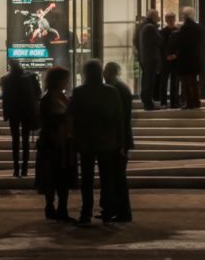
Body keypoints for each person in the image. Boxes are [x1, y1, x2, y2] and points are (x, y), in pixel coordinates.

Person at [67, 59, 123, 225]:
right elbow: (118, 119)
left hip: (86, 141)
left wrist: (73, 137)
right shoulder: (111, 92)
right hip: (107, 141)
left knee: (87, 179)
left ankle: (86, 213)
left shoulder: (79, 92)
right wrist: (120, 141)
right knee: (107, 178)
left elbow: (71, 116)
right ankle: (107, 211)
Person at [35, 66, 76, 222]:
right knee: (54, 176)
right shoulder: (49, 99)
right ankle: (54, 207)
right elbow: (50, 121)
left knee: (61, 177)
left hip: (62, 143)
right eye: (66, 79)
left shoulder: (60, 97)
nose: (67, 82)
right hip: (54, 144)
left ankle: (60, 208)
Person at [103, 61, 134, 223]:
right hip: (120, 139)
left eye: (105, 71)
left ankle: (122, 211)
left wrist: (121, 143)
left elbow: (121, 119)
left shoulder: (116, 90)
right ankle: (116, 210)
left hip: (118, 140)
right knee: (116, 177)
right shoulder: (120, 88)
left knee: (117, 178)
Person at [1, 61, 41, 178]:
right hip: (27, 112)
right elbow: (38, 94)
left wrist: (5, 114)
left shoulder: (6, 80)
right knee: (25, 140)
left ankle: (16, 168)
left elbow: (5, 99)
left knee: (15, 141)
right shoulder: (30, 77)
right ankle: (24, 168)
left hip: (13, 113)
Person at [174, 7, 205, 110]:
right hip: (195, 58)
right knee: (194, 81)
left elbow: (181, 44)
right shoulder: (198, 27)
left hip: (186, 59)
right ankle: (197, 101)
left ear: (185, 16)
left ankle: (189, 102)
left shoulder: (185, 28)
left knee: (186, 83)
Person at [136, 9, 162, 110]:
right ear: (153, 17)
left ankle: (146, 100)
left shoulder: (142, 26)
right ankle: (148, 103)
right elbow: (159, 40)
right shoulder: (150, 27)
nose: (158, 18)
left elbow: (135, 40)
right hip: (150, 58)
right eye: (157, 16)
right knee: (149, 81)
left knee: (146, 80)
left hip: (145, 57)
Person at [158, 13, 179, 109]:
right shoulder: (162, 32)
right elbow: (160, 47)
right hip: (165, 60)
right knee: (164, 82)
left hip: (175, 60)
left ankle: (174, 102)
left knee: (174, 82)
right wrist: (166, 56)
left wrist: (176, 55)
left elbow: (181, 45)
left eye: (172, 19)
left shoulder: (178, 31)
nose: (171, 20)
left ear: (175, 19)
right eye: (169, 19)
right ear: (166, 20)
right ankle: (163, 102)